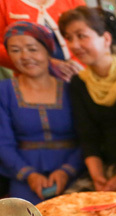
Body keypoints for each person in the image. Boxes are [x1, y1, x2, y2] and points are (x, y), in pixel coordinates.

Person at [59, 7, 116, 197]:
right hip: (102, 170)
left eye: (81, 36)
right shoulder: (79, 83)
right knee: (72, 213)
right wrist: (98, 178)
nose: (74, 45)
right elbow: (88, 136)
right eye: (69, 38)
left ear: (106, 39)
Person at [0, 22, 84, 204]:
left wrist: (67, 170)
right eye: (15, 50)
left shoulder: (73, 89)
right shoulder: (4, 91)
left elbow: (87, 137)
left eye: (32, 49)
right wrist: (29, 175)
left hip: (75, 173)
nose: (25, 57)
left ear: (48, 51)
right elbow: (2, 143)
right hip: (22, 176)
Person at [0, 0, 84, 80]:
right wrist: (46, 64)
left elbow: (88, 33)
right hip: (31, 83)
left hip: (80, 74)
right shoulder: (4, 3)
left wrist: (75, 66)